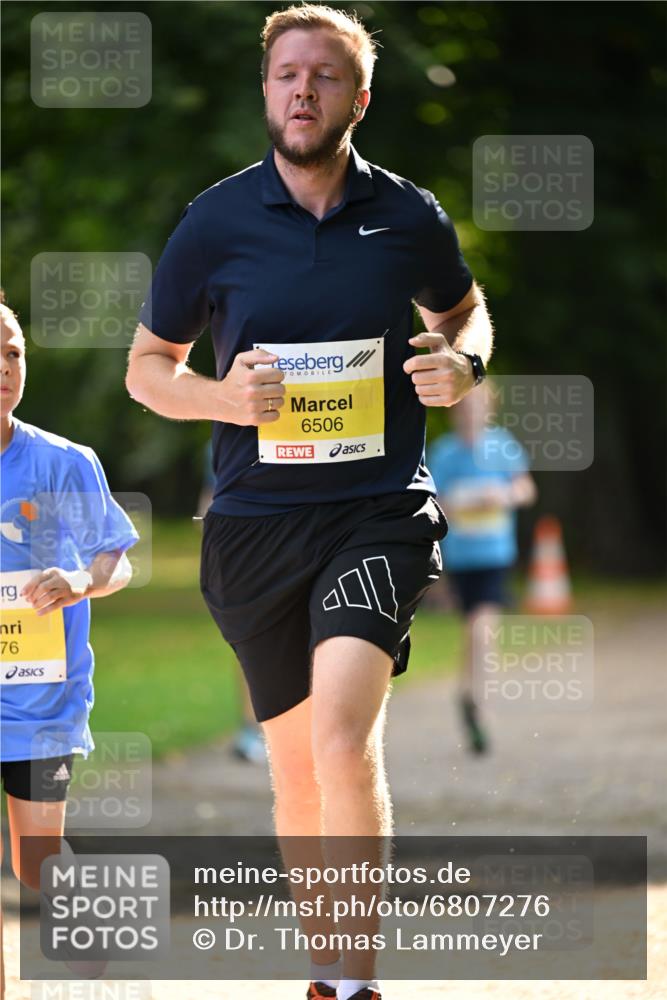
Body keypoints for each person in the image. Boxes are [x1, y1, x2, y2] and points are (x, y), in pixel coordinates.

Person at [126, 6, 493, 998]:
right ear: (265, 93)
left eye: (323, 77)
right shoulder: (216, 221)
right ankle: (325, 968)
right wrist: (218, 396)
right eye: (285, 74)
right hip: (253, 524)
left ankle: (358, 978)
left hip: (377, 511)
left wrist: (461, 361)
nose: (301, 91)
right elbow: (147, 368)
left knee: (340, 734)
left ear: (357, 98)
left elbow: (463, 310)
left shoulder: (406, 214)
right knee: (295, 768)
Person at [0, 298, 138, 996]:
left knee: (35, 860)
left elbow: (118, 560)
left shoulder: (62, 462)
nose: (4, 367)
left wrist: (81, 579)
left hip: (41, 697)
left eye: (14, 351)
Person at [428, 384, 537, 754]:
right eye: (463, 407)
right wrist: (452, 506)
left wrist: (502, 495)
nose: (470, 413)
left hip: (494, 557)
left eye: (476, 406)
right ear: (454, 411)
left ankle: (479, 706)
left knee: (482, 632)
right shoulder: (443, 453)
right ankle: (469, 695)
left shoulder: (501, 445)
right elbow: (430, 506)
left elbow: (526, 489)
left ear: (488, 409)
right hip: (460, 560)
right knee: (474, 635)